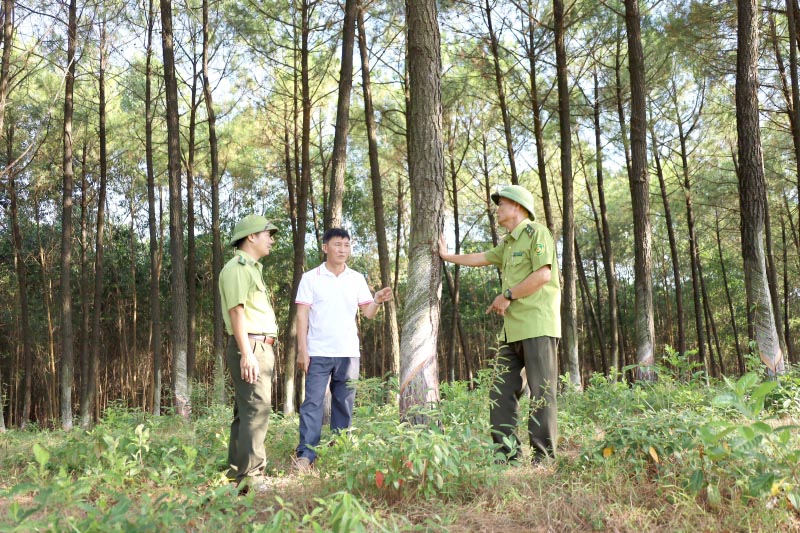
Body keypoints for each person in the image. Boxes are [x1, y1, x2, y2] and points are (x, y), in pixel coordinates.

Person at [439, 185, 561, 463]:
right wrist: (447, 257)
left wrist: (507, 295)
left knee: (542, 394)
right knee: (500, 393)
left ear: (518, 206)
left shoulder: (536, 233)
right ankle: (507, 456)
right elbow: (481, 258)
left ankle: (544, 458)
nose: (498, 209)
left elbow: (543, 274)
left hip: (537, 326)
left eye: (502, 204)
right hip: (512, 330)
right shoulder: (508, 243)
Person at [294, 227, 393, 470]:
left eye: (347, 245)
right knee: (313, 403)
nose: (343, 249)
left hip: (348, 353)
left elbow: (368, 313)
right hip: (317, 351)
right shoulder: (311, 278)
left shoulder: (356, 278)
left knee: (344, 404)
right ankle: (306, 455)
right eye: (338, 244)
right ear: (325, 247)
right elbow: (302, 315)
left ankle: (340, 451)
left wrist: (378, 300)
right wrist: (302, 350)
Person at [219, 214, 279, 493]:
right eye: (268, 233)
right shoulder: (238, 268)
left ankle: (236, 472)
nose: (272, 239)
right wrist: (247, 353)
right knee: (256, 409)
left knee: (246, 411)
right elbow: (236, 311)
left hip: (257, 345)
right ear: (251, 236)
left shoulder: (252, 268)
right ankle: (252, 477)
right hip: (252, 345)